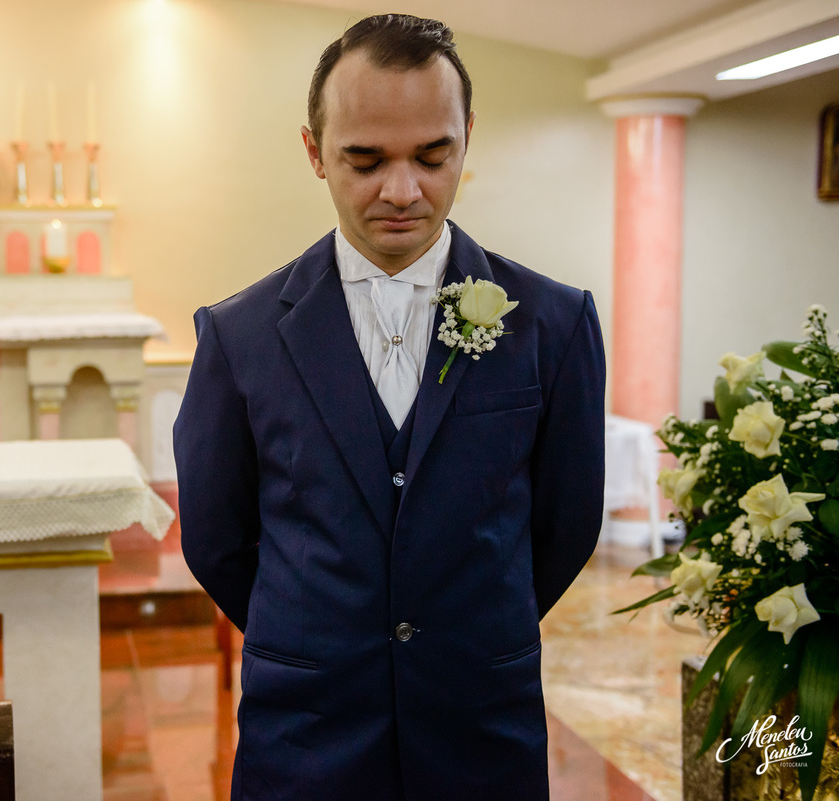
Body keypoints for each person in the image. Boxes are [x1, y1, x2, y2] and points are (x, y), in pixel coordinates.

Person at [173, 13, 605, 800]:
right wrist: (319, 631)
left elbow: (564, 522)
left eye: (433, 156)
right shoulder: (238, 337)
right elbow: (216, 537)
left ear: (467, 138)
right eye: (364, 160)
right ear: (313, 151)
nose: (402, 191)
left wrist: (468, 628)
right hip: (305, 733)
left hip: (482, 727)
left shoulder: (555, 323)